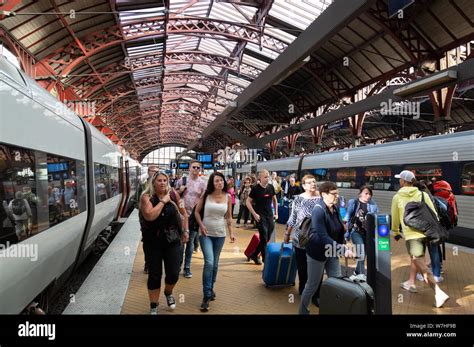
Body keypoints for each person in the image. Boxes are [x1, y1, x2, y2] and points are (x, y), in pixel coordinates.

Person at [391, 170, 449, 308]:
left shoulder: (397, 197)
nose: (399, 181)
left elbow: (394, 218)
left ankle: (439, 293)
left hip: (412, 236)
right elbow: (433, 213)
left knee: (420, 264)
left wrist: (395, 232)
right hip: (425, 234)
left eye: (400, 179)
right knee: (415, 259)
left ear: (404, 182)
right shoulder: (422, 194)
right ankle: (411, 283)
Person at [299, 181, 353, 314]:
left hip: (331, 251)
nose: (337, 196)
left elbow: (339, 228)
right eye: (334, 194)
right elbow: (322, 236)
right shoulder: (318, 210)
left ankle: (333, 309)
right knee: (312, 285)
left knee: (337, 282)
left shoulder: (334, 208)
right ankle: (303, 310)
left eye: (338, 194)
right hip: (317, 253)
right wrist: (342, 249)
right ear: (324, 194)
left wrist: (343, 242)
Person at [140, 171, 189, 314]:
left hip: (173, 241)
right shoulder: (146, 197)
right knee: (154, 274)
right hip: (152, 242)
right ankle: (154, 304)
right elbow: (149, 216)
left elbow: (184, 213)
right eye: (159, 180)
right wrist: (163, 201)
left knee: (173, 273)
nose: (162, 183)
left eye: (164, 180)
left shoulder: (175, 195)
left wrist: (185, 231)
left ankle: (168, 292)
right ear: (153, 183)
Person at [194, 172, 236, 311]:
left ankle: (210, 288)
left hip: (220, 234)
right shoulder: (206, 195)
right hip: (205, 233)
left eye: (221, 181)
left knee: (216, 265)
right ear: (212, 183)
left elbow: (229, 217)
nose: (220, 183)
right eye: (217, 181)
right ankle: (206, 295)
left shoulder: (228, 197)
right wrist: (201, 225)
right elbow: (197, 212)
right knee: (209, 262)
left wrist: (231, 233)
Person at [284, 174, 320, 296]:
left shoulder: (322, 198)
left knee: (317, 267)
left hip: (318, 238)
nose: (313, 184)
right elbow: (293, 217)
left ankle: (316, 293)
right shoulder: (299, 199)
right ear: (304, 186)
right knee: (303, 266)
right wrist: (287, 234)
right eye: (309, 182)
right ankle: (303, 288)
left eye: (314, 181)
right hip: (301, 237)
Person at [175, 160, 207, 278]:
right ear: (189, 168)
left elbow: (203, 200)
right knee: (181, 243)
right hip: (181, 216)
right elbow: (174, 195)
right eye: (194, 167)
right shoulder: (181, 181)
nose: (196, 169)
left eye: (198, 168)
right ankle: (178, 266)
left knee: (190, 243)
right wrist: (180, 190)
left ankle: (187, 267)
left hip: (193, 217)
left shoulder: (203, 184)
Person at [345, 186, 379, 276]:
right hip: (356, 232)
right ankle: (362, 275)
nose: (368, 196)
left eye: (370, 194)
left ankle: (357, 271)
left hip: (368, 233)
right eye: (366, 193)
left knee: (364, 255)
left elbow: (376, 218)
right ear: (360, 193)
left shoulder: (373, 204)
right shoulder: (354, 202)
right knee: (361, 253)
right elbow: (348, 217)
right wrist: (347, 233)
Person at [246, 170, 278, 264]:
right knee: (264, 237)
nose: (267, 179)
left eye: (268, 177)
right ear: (260, 178)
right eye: (265, 177)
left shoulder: (271, 187)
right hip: (260, 216)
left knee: (267, 238)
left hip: (270, 215)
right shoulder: (255, 188)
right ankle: (265, 260)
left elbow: (275, 200)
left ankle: (254, 254)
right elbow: (248, 202)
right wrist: (254, 214)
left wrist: (276, 213)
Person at [137, 166, 159, 274]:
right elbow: (138, 200)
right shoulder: (142, 185)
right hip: (144, 217)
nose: (154, 173)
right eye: (153, 171)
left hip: (158, 215)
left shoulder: (160, 184)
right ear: (148, 172)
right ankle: (147, 262)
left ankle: (153, 263)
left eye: (156, 172)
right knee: (147, 240)